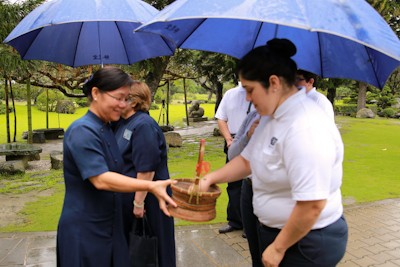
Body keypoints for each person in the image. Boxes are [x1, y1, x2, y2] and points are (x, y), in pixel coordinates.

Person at [198, 38, 348, 267]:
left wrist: (278, 247)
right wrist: (212, 177)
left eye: (250, 90)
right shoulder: (271, 117)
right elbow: (248, 160)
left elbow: (312, 203)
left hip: (306, 241)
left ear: (274, 82)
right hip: (278, 231)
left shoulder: (306, 128)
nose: (247, 98)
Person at [57, 67, 176, 267]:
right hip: (87, 230)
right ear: (95, 93)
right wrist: (150, 186)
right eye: (118, 98)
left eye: (126, 99)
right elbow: (101, 178)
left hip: (111, 226)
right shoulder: (82, 130)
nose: (123, 105)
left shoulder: (106, 128)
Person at [114, 81, 176, 267]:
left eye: (120, 97)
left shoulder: (143, 126)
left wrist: (138, 203)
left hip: (150, 200)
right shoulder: (123, 123)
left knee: (152, 249)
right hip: (132, 198)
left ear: (133, 101)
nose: (116, 101)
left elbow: (147, 169)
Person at [215, 82, 254, 234]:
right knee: (233, 184)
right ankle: (235, 221)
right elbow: (221, 118)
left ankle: (249, 223)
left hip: (253, 140)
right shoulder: (230, 94)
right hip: (233, 140)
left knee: (252, 183)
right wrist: (228, 140)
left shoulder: (260, 92)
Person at [227, 109, 262, 267]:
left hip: (272, 195)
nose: (248, 97)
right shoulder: (253, 116)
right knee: (255, 252)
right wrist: (248, 135)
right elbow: (232, 154)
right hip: (248, 186)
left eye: (252, 89)